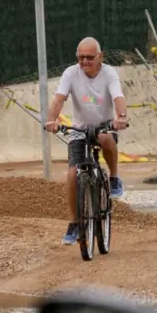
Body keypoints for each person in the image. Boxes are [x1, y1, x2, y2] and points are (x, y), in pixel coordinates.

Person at [45, 37, 129, 245]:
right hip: (80, 130)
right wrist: (51, 120)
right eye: (80, 57)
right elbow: (59, 99)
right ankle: (74, 223)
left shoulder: (109, 73)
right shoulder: (70, 74)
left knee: (103, 137)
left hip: (105, 126)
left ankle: (114, 178)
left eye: (89, 57)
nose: (84, 61)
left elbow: (118, 96)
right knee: (73, 174)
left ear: (99, 57)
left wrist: (121, 117)